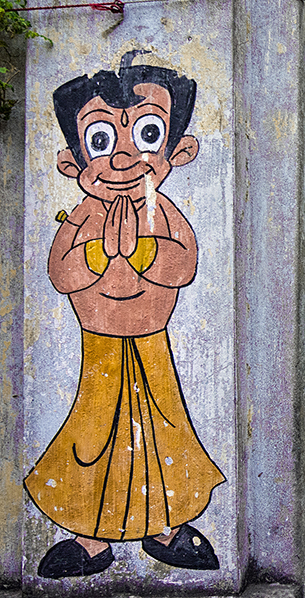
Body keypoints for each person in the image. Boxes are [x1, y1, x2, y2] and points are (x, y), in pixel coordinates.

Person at [24, 51, 225, 579]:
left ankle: (165, 528)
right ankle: (91, 540)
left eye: (148, 135)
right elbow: (61, 272)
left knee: (163, 433)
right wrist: (98, 254)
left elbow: (182, 264)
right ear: (73, 163)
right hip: (101, 345)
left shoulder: (162, 212)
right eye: (101, 141)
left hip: (152, 341)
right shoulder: (83, 215)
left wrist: (138, 253)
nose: (123, 158)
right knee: (91, 435)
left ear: (178, 151)